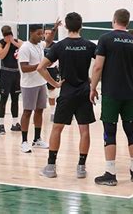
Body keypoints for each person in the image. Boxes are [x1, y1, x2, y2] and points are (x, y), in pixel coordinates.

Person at [38, 12, 96, 179]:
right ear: (81, 26)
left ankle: (50, 168)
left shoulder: (60, 46)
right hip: (84, 92)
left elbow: (40, 67)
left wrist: (55, 84)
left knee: (57, 129)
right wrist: (93, 83)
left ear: (67, 27)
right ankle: (81, 168)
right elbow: (100, 65)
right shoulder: (89, 45)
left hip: (67, 92)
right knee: (84, 130)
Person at [90, 8, 133, 185]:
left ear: (114, 20)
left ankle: (110, 173)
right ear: (128, 22)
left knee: (109, 132)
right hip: (128, 94)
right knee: (131, 131)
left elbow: (98, 67)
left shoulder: (105, 39)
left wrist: (93, 87)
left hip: (111, 94)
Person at [18, 24, 49, 153]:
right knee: (27, 112)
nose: (41, 36)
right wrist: (40, 65)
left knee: (39, 110)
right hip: (29, 85)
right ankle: (24, 141)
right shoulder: (25, 48)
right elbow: (24, 68)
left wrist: (54, 29)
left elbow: (49, 41)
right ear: (31, 33)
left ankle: (37, 139)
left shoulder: (40, 45)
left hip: (41, 83)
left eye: (42, 33)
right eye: (38, 33)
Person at [0, 25, 23, 135]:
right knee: (3, 99)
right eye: (6, 35)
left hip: (16, 72)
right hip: (5, 73)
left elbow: (23, 46)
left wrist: (13, 41)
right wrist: (8, 43)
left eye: (10, 35)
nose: (9, 37)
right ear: (3, 35)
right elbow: (1, 56)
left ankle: (15, 123)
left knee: (15, 99)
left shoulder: (17, 41)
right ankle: (1, 125)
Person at [43, 24, 61, 122]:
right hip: (42, 70)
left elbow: (57, 58)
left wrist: (50, 63)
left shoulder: (56, 45)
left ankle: (53, 113)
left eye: (49, 33)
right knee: (41, 91)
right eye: (46, 33)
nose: (47, 35)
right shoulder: (41, 45)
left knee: (52, 93)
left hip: (53, 70)